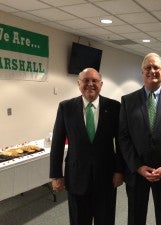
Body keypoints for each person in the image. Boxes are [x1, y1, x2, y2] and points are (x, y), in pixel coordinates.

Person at [119, 52, 161, 225]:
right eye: (147, 67)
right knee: (135, 218)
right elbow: (123, 138)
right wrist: (138, 167)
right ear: (142, 72)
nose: (152, 71)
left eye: (156, 67)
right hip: (137, 172)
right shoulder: (128, 101)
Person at [49, 68, 124, 225]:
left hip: (106, 177)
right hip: (76, 178)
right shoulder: (66, 107)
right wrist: (56, 175)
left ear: (101, 84)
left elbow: (120, 142)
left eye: (94, 81)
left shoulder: (114, 107)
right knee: (78, 221)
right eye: (86, 80)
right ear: (79, 84)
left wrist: (119, 171)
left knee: (105, 220)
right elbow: (57, 142)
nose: (90, 84)